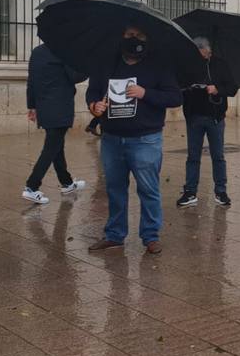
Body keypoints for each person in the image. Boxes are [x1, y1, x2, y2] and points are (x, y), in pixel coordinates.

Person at [86, 27, 182, 254]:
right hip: (111, 139)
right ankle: (114, 235)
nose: (134, 40)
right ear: (121, 36)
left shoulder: (159, 64)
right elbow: (92, 92)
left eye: (140, 36)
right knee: (114, 189)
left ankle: (150, 236)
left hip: (145, 140)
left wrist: (144, 93)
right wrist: (94, 107)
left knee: (148, 190)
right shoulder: (105, 63)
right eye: (129, 35)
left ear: (147, 39)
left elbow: (175, 97)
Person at [22, 43, 86, 204]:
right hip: (60, 107)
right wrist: (88, 66)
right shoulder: (63, 50)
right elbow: (75, 76)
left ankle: (67, 183)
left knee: (57, 145)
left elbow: (31, 81)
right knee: (51, 149)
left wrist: (32, 106)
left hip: (44, 106)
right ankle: (31, 186)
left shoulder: (37, 52)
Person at [178, 37, 237, 209]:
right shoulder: (188, 65)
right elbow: (178, 87)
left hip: (215, 117)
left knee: (218, 156)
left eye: (204, 54)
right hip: (194, 117)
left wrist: (217, 89)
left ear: (209, 51)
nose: (202, 58)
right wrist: (190, 89)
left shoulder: (221, 64)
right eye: (199, 55)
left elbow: (232, 88)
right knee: (193, 157)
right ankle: (190, 192)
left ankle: (221, 191)